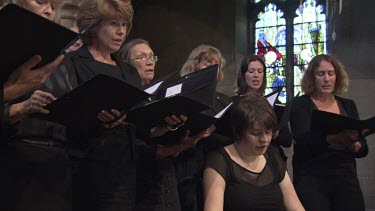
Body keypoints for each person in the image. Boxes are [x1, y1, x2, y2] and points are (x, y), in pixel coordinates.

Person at [121, 39, 215, 211]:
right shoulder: (124, 99)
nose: (149, 62)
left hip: (165, 177)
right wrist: (179, 145)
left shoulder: (160, 96)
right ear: (125, 64)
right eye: (141, 57)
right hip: (138, 183)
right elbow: (139, 147)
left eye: (151, 57)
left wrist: (176, 131)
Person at [0, 1, 72, 211]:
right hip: (12, 163)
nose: (49, 10)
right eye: (41, 1)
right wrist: (14, 102)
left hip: (56, 169)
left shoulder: (62, 56)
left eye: (54, 4)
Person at [289, 54, 368, 211]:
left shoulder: (348, 105)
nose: (327, 79)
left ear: (337, 77)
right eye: (321, 74)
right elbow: (303, 141)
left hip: (345, 176)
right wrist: (337, 138)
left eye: (331, 73)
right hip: (312, 177)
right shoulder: (300, 104)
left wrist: (356, 145)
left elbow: (364, 148)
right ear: (312, 77)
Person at [203, 95, 305, 211]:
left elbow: (296, 207)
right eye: (256, 134)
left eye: (268, 132)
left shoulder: (272, 156)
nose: (265, 139)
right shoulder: (219, 160)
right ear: (239, 132)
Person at [176, 44, 232, 211]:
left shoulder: (224, 100)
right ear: (194, 65)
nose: (213, 67)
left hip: (218, 165)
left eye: (217, 64)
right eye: (207, 62)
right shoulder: (181, 94)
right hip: (189, 167)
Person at [3, 0, 65, 101]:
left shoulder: (55, 51)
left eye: (54, 7)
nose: (49, 11)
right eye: (40, 2)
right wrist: (12, 92)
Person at [234, 54, 292, 160]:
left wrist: (275, 135)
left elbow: (287, 141)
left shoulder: (274, 102)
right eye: (251, 71)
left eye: (260, 72)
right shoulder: (234, 104)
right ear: (243, 75)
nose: (256, 75)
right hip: (242, 157)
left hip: (271, 157)